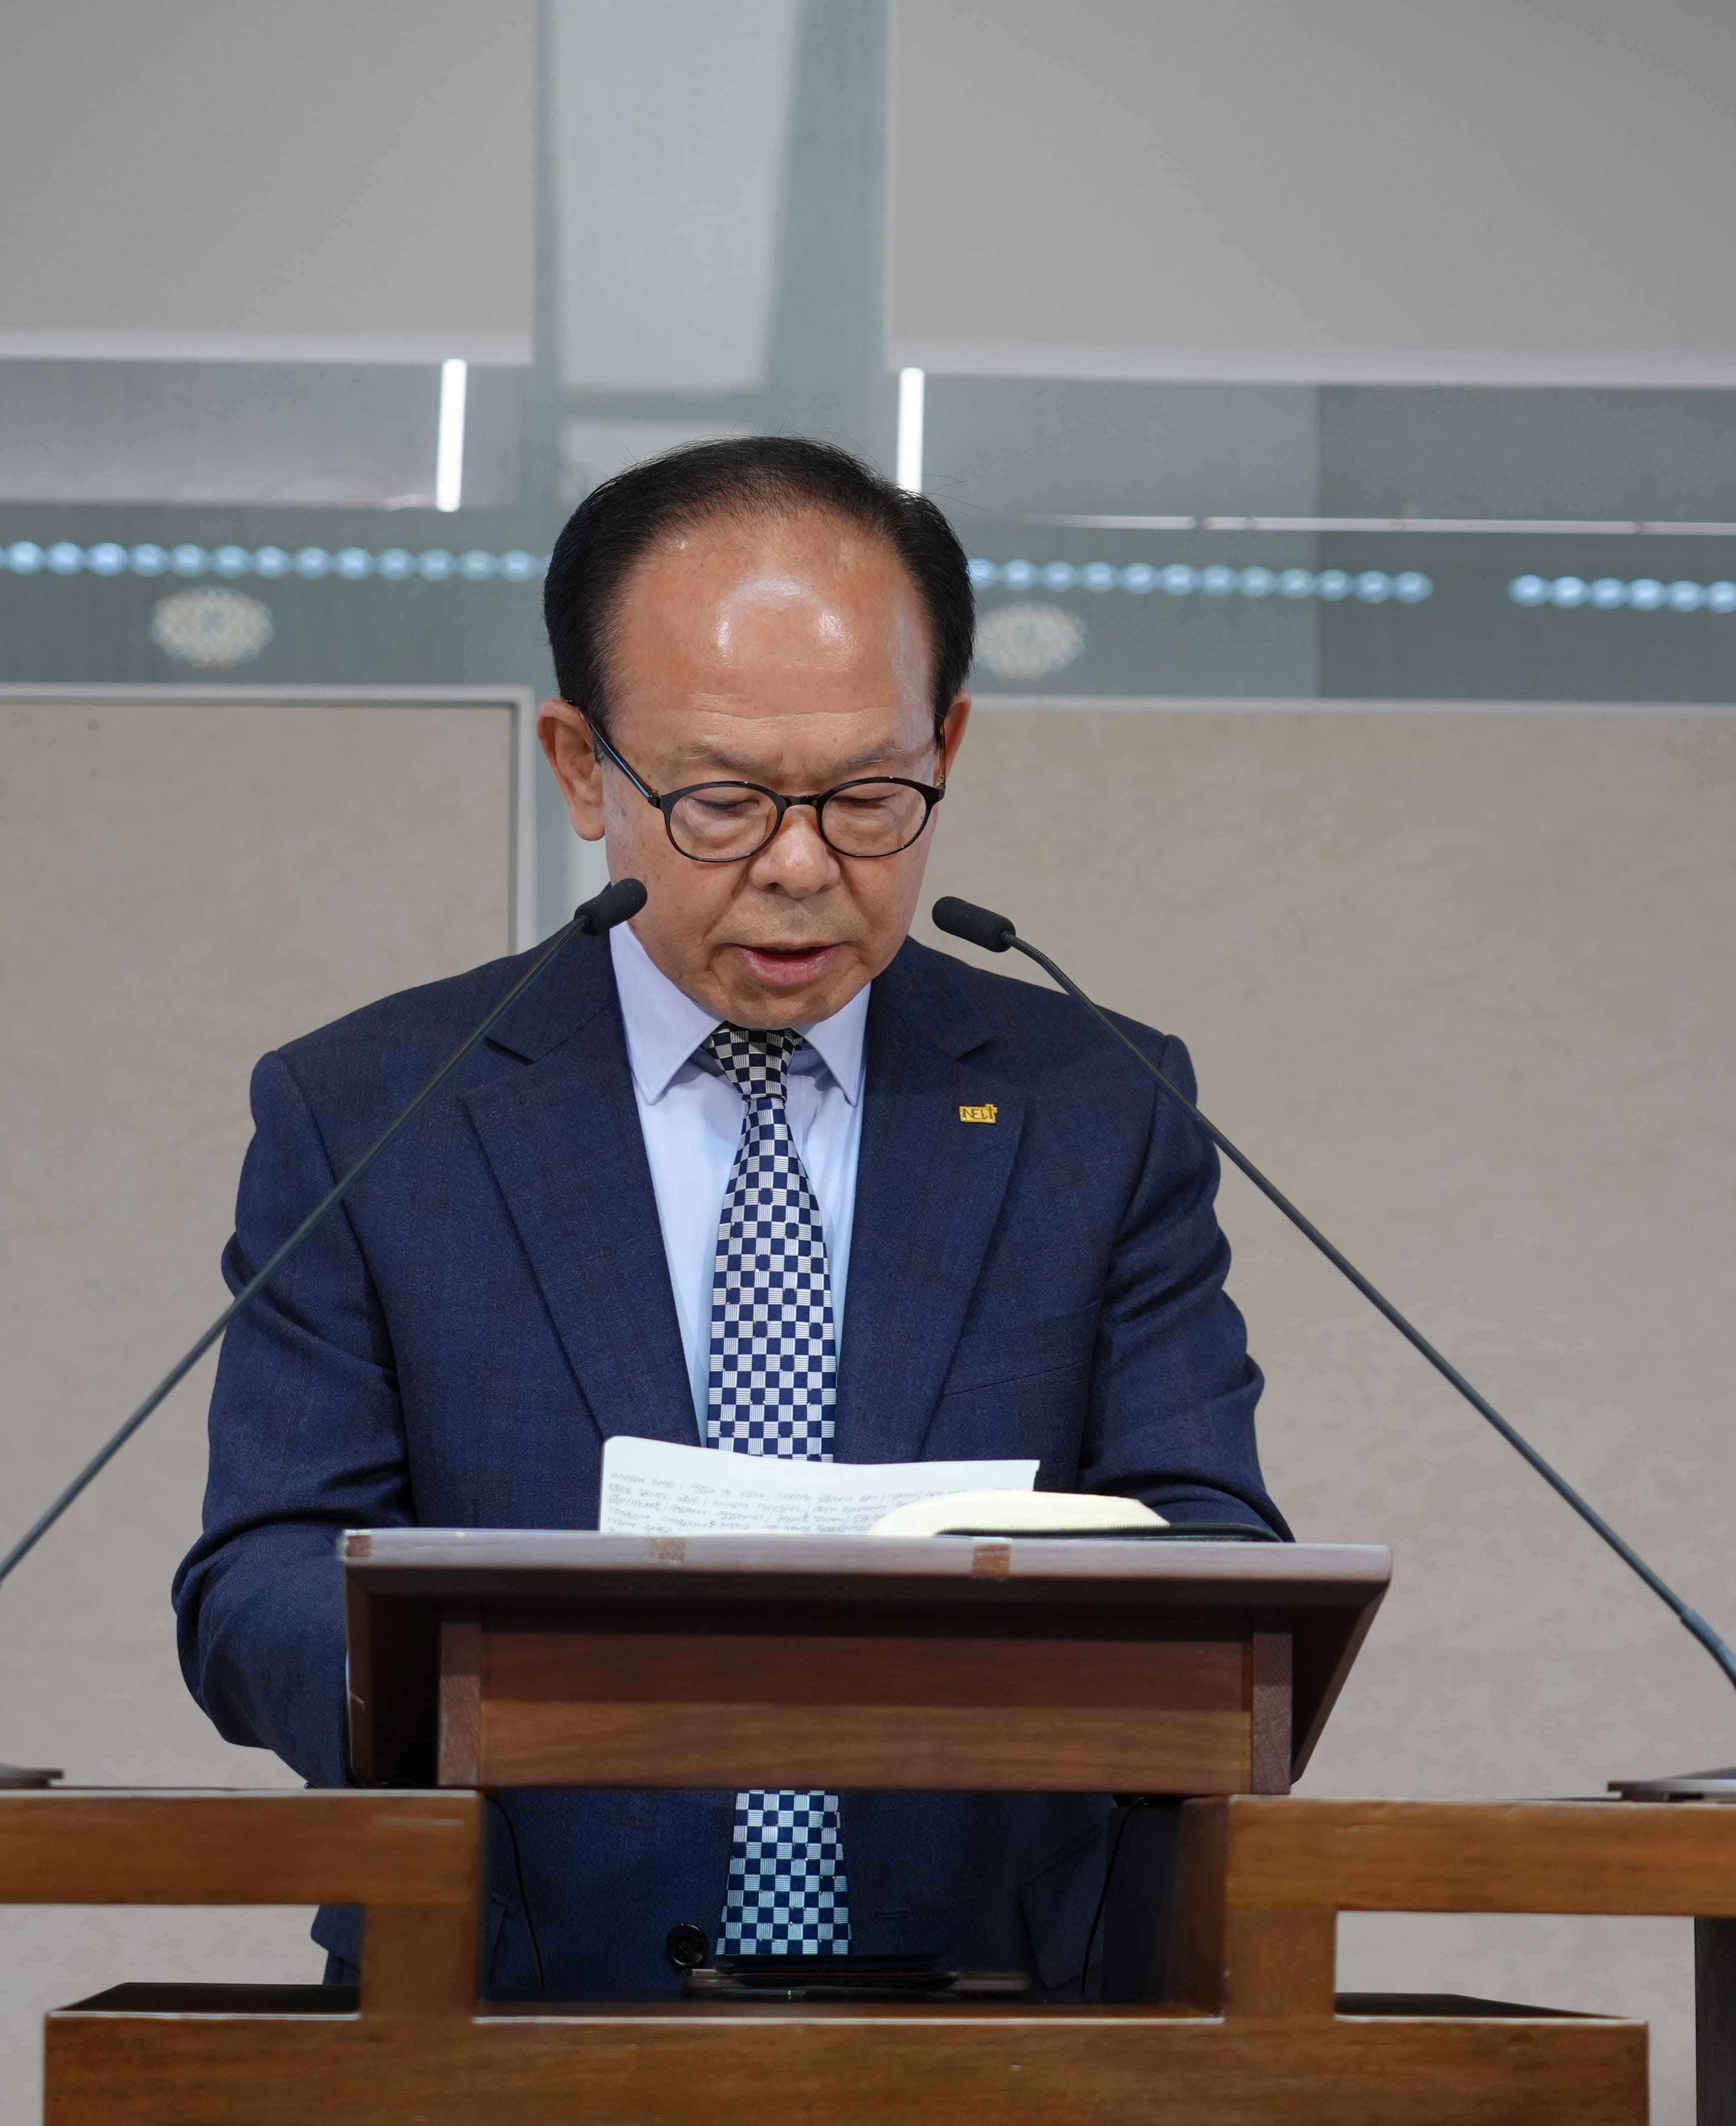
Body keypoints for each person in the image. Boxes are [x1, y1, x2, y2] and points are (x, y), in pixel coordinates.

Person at [173, 435, 1284, 2000]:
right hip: (499, 2011)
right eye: (720, 801)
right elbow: (256, 1587)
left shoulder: (1097, 1104)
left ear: (951, 742)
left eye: (872, 795)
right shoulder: (377, 1114)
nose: (801, 866)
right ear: (582, 768)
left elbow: (1216, 1552)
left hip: (1002, 2018)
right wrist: (558, 1678)